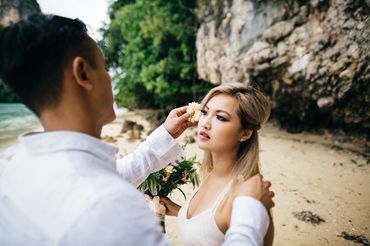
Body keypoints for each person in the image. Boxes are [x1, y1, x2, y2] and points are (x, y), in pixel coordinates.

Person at [0, 14, 273, 245]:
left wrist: (165, 135)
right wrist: (249, 211)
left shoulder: (15, 171)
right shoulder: (112, 206)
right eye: (105, 67)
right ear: (83, 74)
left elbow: (113, 173)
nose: (110, 77)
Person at [160, 82, 275, 246]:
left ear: (245, 133)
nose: (205, 123)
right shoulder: (211, 173)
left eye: (221, 117)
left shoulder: (246, 197)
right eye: (205, 112)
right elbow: (213, 230)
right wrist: (181, 212)